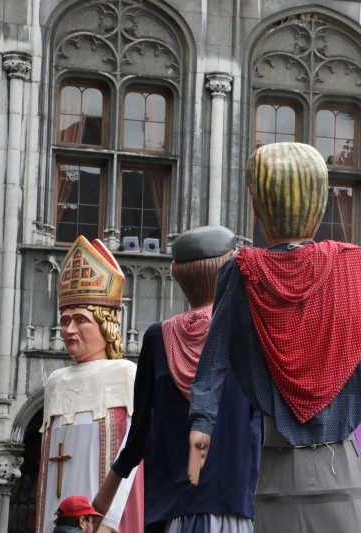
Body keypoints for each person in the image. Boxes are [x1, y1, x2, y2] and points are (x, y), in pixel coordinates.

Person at [188, 142, 361, 533]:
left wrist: (201, 425)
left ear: (259, 206)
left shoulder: (242, 272)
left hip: (276, 468)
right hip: (342, 469)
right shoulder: (352, 264)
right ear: (319, 202)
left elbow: (211, 360)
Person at [92, 226, 261, 532]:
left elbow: (139, 433)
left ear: (177, 274)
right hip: (233, 502)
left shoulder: (157, 339)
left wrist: (102, 500)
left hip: (170, 507)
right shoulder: (248, 333)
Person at [37, 236, 142, 533]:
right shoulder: (56, 381)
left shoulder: (125, 374)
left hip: (100, 517)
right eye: (64, 319)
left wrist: (107, 522)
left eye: (80, 320)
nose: (69, 329)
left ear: (106, 323)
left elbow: (130, 459)